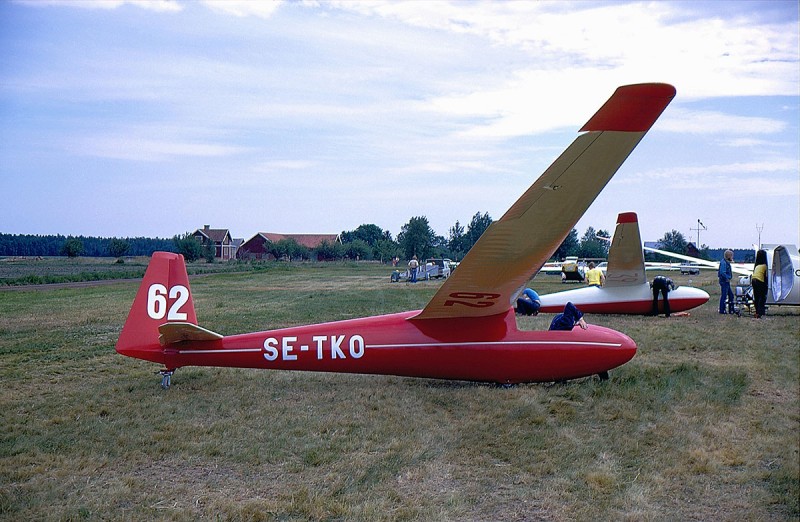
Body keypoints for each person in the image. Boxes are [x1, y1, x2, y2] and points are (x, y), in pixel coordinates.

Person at [751, 249, 768, 318]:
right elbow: (766, 276)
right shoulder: (765, 266)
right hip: (759, 280)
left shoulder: (757, 266)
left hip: (753, 279)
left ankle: (757, 311)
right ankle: (761, 312)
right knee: (762, 296)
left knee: (757, 296)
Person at [718, 249, 735, 314]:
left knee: (731, 295)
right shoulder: (724, 263)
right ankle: (722, 310)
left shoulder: (725, 262)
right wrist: (727, 277)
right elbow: (722, 272)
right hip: (724, 281)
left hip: (726, 281)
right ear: (729, 256)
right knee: (724, 295)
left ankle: (731, 309)